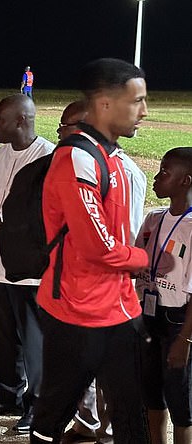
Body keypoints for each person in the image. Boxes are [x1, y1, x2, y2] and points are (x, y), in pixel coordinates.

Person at [30, 58, 150, 444]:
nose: (144, 112)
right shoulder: (76, 158)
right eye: (137, 101)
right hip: (76, 315)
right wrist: (144, 258)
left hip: (120, 311)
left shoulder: (115, 159)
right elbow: (98, 246)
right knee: (53, 417)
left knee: (133, 416)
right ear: (105, 103)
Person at [58, 100, 147, 444]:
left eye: (65, 129)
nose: (61, 136)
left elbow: (125, 233)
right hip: (77, 281)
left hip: (108, 287)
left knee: (111, 371)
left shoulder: (122, 171)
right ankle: (87, 424)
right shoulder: (78, 166)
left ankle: (109, 430)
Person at [0, 94, 54, 435]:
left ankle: (37, 405)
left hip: (27, 266)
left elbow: (43, 216)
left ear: (21, 121)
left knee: (33, 339)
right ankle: (8, 395)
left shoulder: (46, 157)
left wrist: (2, 223)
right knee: (3, 335)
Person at [136, 147, 192, 444]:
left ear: (186, 181)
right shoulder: (153, 218)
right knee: (152, 396)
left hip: (179, 323)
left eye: (165, 172)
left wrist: (184, 341)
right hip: (148, 316)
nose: (156, 178)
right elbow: (135, 262)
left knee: (181, 401)